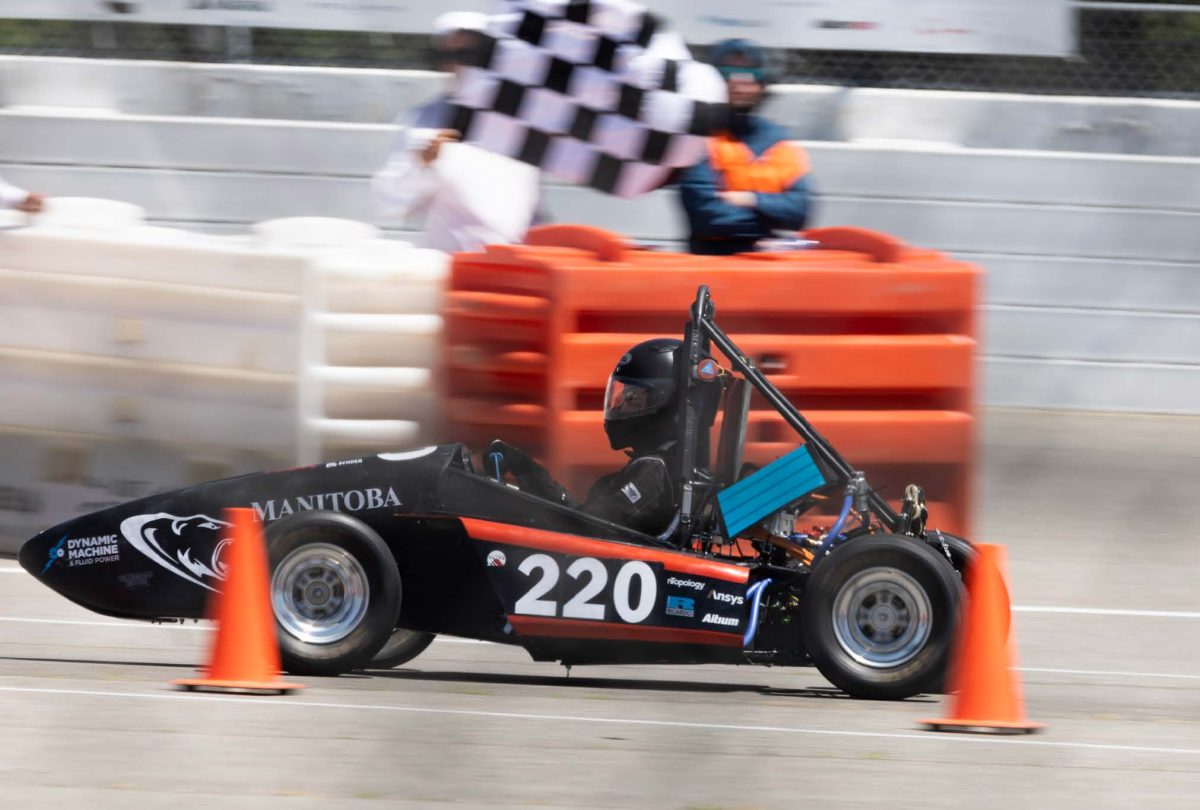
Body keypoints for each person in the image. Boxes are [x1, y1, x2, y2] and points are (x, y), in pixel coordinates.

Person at [489, 338, 699, 537]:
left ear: (664, 403)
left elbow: (585, 529)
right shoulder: (651, 466)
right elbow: (582, 517)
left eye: (633, 399)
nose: (620, 407)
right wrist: (526, 469)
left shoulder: (654, 472)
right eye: (623, 396)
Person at [371, 11, 540, 253]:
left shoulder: (526, 117)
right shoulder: (422, 121)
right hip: (452, 265)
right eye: (449, 55)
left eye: (470, 54)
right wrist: (422, 165)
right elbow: (388, 205)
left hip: (520, 264)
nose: (459, 65)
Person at [678, 39, 813, 255]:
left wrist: (748, 198)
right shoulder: (697, 139)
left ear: (762, 85)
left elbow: (800, 210)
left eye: (750, 74)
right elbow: (709, 216)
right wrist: (768, 228)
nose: (739, 82)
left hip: (772, 265)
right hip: (713, 265)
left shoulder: (779, 141)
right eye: (728, 74)